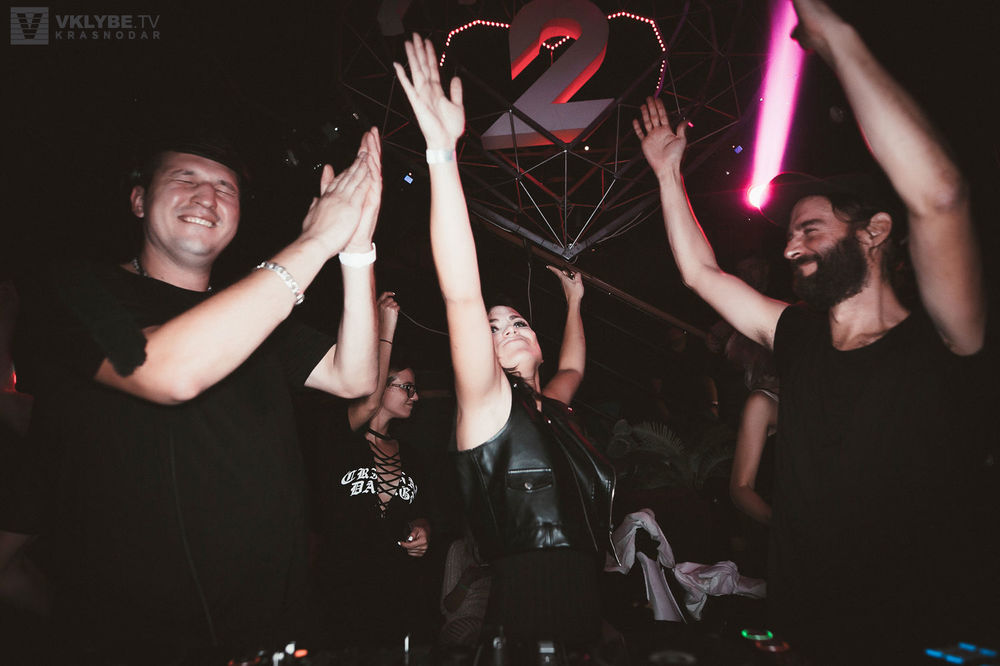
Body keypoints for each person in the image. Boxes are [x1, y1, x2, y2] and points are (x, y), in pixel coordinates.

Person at [634, 0, 988, 660]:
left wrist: (836, 39)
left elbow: (941, 196)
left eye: (811, 229)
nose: (791, 247)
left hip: (912, 636)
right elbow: (701, 274)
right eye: (792, 234)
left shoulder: (941, 338)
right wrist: (666, 174)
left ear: (875, 232)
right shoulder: (796, 334)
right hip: (804, 630)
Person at [13, 129, 384, 660]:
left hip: (278, 631)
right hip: (144, 642)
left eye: (224, 188)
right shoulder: (76, 288)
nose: (207, 196)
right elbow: (166, 372)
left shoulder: (255, 312)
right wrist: (315, 242)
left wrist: (356, 250)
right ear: (139, 200)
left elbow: (355, 376)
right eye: (184, 178)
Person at [393, 34, 614, 653]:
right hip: (530, 604)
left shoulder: (553, 406)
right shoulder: (488, 406)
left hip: (586, 602)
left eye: (517, 322)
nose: (507, 329)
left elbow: (573, 367)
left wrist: (573, 301)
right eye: (493, 329)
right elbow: (463, 294)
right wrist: (443, 153)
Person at [305, 291, 431, 648]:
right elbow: (369, 402)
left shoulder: (413, 455)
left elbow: (422, 511)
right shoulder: (339, 435)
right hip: (339, 592)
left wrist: (423, 529)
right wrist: (385, 329)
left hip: (396, 592)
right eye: (407, 387)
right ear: (382, 383)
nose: (415, 396)